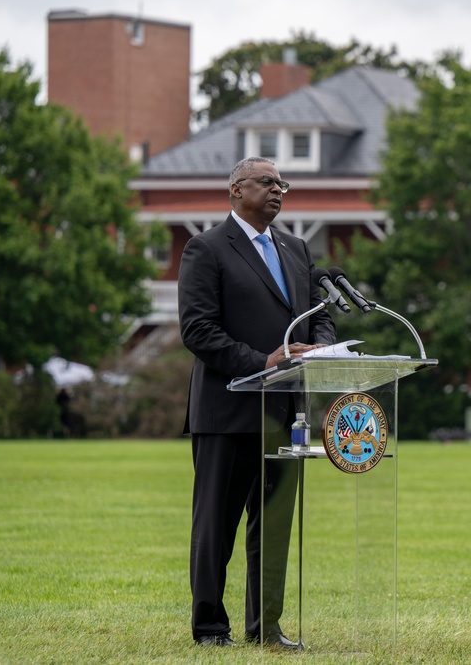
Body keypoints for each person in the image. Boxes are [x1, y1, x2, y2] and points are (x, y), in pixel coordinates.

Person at [178, 157, 336, 648]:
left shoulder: (296, 249)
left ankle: (265, 627)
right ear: (235, 189)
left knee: (272, 527)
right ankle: (209, 628)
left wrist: (323, 347)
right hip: (228, 411)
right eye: (267, 182)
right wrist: (262, 362)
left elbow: (318, 315)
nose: (278, 190)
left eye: (282, 183)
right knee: (216, 526)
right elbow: (198, 330)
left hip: (285, 414)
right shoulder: (205, 249)